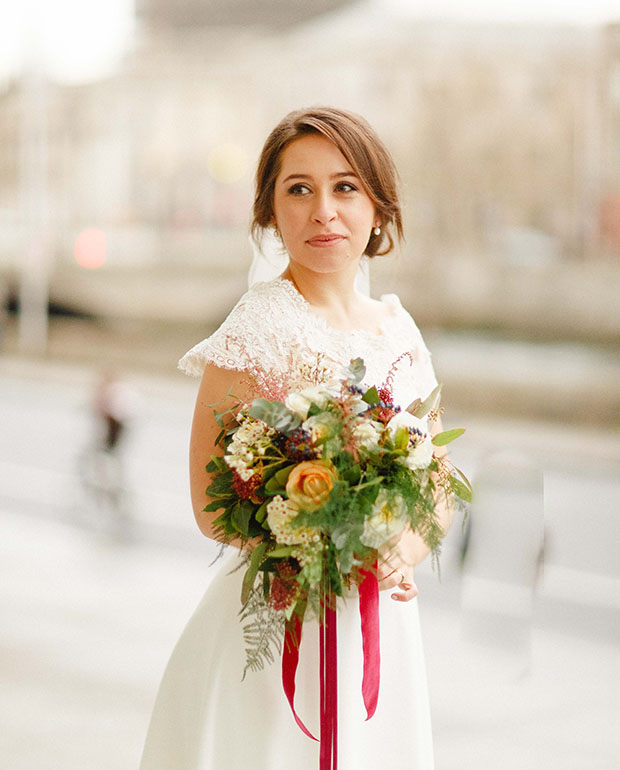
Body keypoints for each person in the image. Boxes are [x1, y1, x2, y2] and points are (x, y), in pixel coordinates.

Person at [139, 107, 454, 770]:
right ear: (270, 211)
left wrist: (406, 544)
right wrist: (324, 541)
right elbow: (208, 504)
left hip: (381, 631)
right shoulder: (256, 328)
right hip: (279, 621)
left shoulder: (399, 329)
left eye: (344, 187)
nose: (324, 211)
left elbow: (436, 478)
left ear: (377, 204)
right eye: (299, 189)